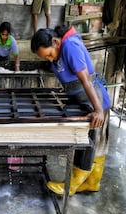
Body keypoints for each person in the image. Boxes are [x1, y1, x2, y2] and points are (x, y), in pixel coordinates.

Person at [30, 24, 111, 196]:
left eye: (50, 54)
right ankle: (92, 183)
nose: (50, 60)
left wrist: (98, 110)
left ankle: (72, 184)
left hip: (93, 99)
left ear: (55, 42)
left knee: (89, 140)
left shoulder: (70, 47)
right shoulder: (59, 50)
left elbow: (86, 80)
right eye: (47, 58)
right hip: (81, 99)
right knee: (95, 142)